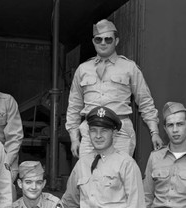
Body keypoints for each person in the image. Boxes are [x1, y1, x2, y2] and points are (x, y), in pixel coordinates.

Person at [66, 19, 163, 158]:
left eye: (108, 39)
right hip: (90, 131)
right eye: (98, 39)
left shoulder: (129, 68)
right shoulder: (83, 69)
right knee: (88, 175)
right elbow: (74, 105)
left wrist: (154, 132)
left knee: (118, 175)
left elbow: (145, 101)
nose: (103, 43)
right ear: (93, 41)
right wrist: (74, 138)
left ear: (116, 41)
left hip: (120, 132)